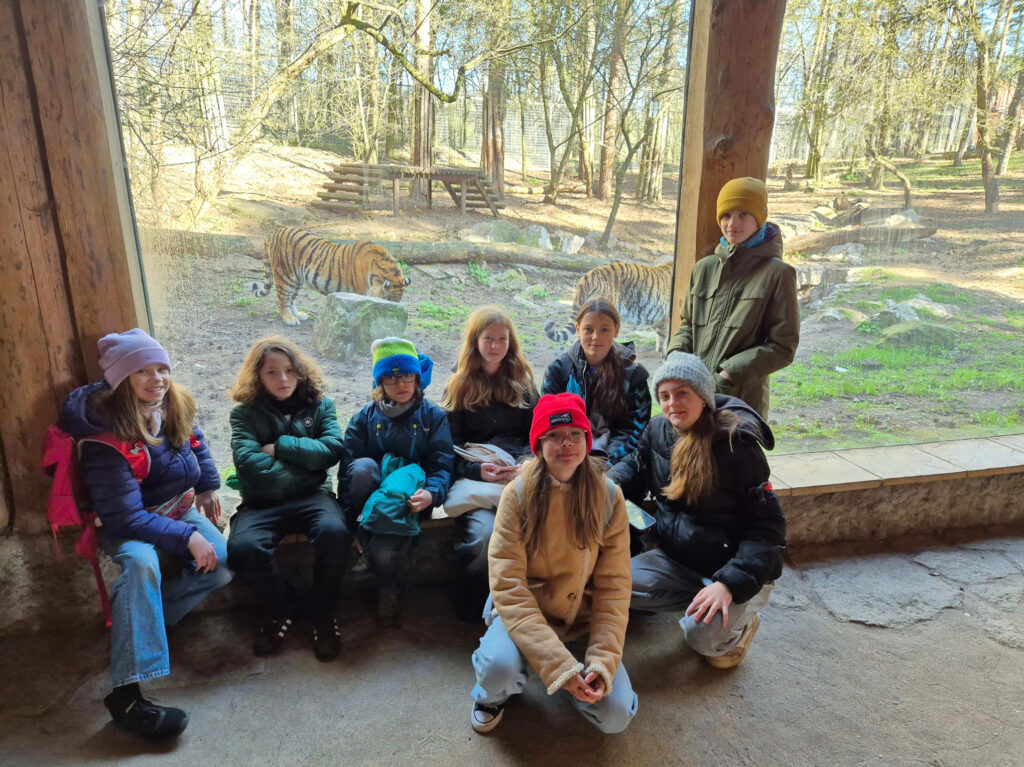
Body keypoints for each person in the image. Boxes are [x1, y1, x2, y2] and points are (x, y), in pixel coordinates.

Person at [58, 329, 231, 741]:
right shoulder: (105, 438)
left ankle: (143, 625)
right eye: (143, 371)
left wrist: (207, 486)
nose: (157, 379)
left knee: (223, 561)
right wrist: (186, 537)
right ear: (121, 380)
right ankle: (126, 696)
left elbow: (196, 442)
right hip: (129, 522)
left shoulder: (170, 405)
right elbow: (123, 516)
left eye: (162, 368)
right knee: (141, 565)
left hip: (178, 507)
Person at [469, 393, 637, 734]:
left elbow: (614, 587)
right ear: (538, 445)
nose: (567, 444)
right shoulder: (516, 496)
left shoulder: (608, 497)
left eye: (576, 434)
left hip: (581, 619)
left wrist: (602, 663)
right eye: (555, 436)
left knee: (615, 715)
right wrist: (558, 664)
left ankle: (576, 682)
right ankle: (491, 693)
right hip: (527, 613)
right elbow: (508, 586)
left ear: (587, 441)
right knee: (497, 669)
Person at [607, 352, 786, 668]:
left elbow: (767, 531)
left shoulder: (737, 446)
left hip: (729, 566)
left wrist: (729, 583)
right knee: (610, 587)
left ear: (702, 396)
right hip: (676, 558)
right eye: (664, 396)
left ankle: (741, 621)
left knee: (703, 642)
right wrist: (605, 486)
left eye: (682, 393)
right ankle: (698, 602)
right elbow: (635, 467)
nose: (672, 403)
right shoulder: (658, 430)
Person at [226, 336, 350, 662]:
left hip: (313, 497)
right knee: (243, 548)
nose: (283, 380)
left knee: (336, 533)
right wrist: (307, 468)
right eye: (272, 372)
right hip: (261, 502)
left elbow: (332, 451)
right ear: (257, 376)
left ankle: (321, 613)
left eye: (290, 371)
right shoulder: (243, 415)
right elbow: (251, 467)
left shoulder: (321, 405)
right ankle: (281, 609)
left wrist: (281, 447)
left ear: (300, 372)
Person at [339, 337, 453, 627]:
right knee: (363, 468)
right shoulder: (364, 417)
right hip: (371, 498)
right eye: (390, 377)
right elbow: (348, 472)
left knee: (383, 547)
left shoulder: (433, 417)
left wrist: (431, 493)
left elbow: (441, 463)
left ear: (417, 376)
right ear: (380, 382)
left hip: (414, 499)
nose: (400, 382)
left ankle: (387, 588)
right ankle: (372, 548)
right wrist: (349, 522)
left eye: (406, 375)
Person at [666, 176, 799, 418]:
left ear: (759, 218)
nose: (732, 223)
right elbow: (687, 325)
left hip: (740, 400)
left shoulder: (779, 274)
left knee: (734, 456)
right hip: (692, 396)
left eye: (743, 215)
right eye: (726, 215)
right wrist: (676, 355)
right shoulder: (704, 267)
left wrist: (727, 375)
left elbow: (783, 347)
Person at [440, 306, 538, 621]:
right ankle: (472, 608)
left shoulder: (523, 381)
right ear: (475, 341)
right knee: (484, 537)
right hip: (478, 479)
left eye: (501, 339)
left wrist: (527, 463)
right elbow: (445, 449)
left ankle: (523, 606)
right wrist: (476, 470)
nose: (495, 346)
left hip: (519, 476)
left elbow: (538, 435)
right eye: (488, 339)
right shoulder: (459, 385)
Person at [541, 298, 651, 467]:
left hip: (616, 456)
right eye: (588, 329)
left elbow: (634, 431)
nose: (595, 337)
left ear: (616, 330)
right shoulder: (557, 371)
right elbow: (547, 423)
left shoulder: (634, 377)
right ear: (578, 330)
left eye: (604, 329)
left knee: (614, 482)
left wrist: (607, 462)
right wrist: (574, 453)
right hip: (567, 449)